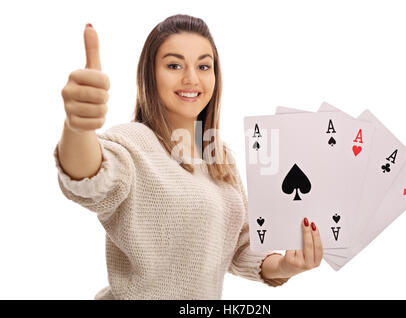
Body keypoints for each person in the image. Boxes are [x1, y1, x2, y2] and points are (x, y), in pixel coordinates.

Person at [54, 14, 323, 300]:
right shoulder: (134, 142)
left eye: (204, 66)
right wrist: (77, 126)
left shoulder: (220, 158)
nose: (191, 78)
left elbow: (241, 245)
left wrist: (284, 265)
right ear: (150, 75)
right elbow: (89, 177)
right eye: (174, 65)